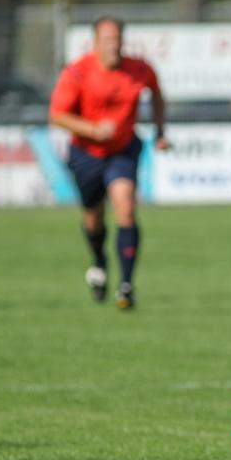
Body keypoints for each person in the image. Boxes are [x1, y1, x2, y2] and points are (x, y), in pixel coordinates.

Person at [49, 16, 169, 309]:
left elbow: (157, 95)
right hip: (86, 153)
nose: (113, 45)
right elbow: (56, 115)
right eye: (107, 39)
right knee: (93, 217)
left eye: (117, 39)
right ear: (95, 42)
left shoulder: (139, 69)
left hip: (123, 150)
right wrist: (92, 129)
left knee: (125, 209)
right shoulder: (77, 73)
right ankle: (99, 260)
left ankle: (126, 286)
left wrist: (160, 130)